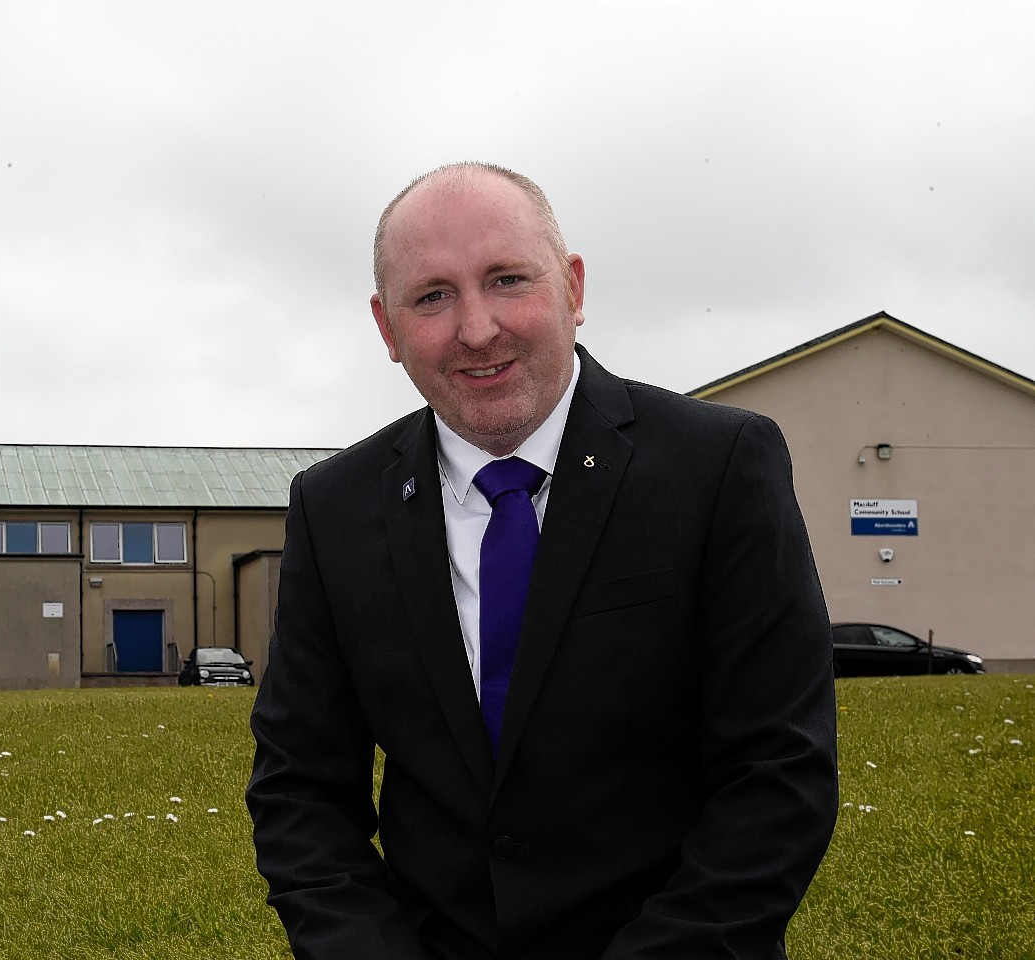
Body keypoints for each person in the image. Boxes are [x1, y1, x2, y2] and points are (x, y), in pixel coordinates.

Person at [246, 162, 838, 960]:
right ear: (387, 330)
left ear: (574, 287)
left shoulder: (722, 466)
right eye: (433, 296)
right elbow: (301, 791)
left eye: (507, 279)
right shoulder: (334, 507)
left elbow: (779, 775)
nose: (478, 328)